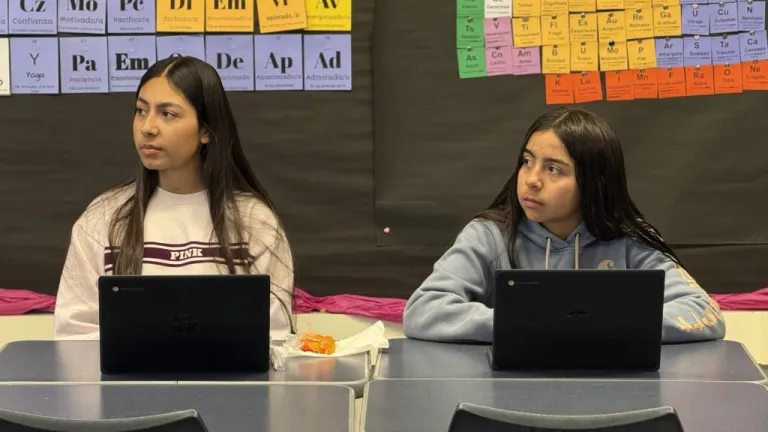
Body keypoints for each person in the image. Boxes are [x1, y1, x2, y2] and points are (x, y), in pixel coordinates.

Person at [403, 107, 725, 344]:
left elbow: (704, 313)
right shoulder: (489, 236)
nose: (531, 180)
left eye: (553, 169)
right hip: (510, 394)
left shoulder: (629, 240)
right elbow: (424, 310)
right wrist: (533, 324)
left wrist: (595, 325)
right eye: (527, 162)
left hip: (609, 393)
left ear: (593, 183)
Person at [53, 56, 294, 340]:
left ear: (205, 131)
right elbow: (73, 335)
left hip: (227, 372)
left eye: (167, 114)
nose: (147, 127)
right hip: (127, 373)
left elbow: (274, 336)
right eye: (141, 111)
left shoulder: (254, 222)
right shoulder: (103, 219)